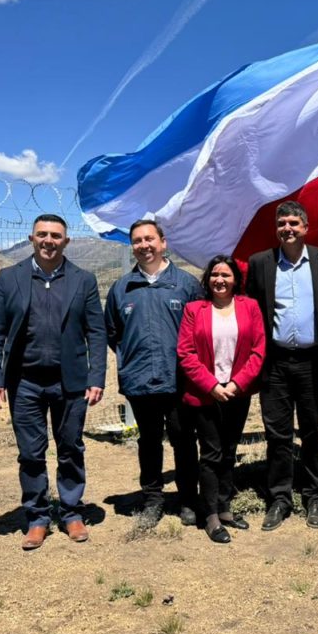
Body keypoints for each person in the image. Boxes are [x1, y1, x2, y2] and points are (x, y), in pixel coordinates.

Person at [0, 214, 107, 550]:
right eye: (42, 235)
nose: (49, 240)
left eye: (56, 235)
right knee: (31, 454)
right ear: (31, 238)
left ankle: (71, 513)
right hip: (25, 383)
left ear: (66, 241)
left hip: (71, 383)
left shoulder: (83, 280)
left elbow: (96, 332)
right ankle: (37, 518)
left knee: (70, 449)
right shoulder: (10, 278)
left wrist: (97, 377)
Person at [245, 201, 318, 531]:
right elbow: (252, 313)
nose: (288, 228)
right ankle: (280, 499)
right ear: (276, 228)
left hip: (314, 363)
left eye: (294, 223)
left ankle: (315, 496)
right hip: (275, 364)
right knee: (278, 435)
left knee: (314, 433)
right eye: (282, 223)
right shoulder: (260, 264)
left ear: (306, 227)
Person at [104, 220, 204, 529]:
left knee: (184, 441)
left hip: (179, 381)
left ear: (163, 242)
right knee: (148, 443)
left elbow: (201, 332)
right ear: (132, 246)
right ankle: (152, 501)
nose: (144, 245)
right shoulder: (122, 289)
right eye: (137, 240)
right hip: (139, 382)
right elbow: (113, 333)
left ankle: (188, 499)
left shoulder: (186, 285)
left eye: (149, 239)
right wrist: (133, 361)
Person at [177, 255, 265, 544]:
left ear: (235, 280)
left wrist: (238, 383)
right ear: (207, 278)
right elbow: (186, 353)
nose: (220, 280)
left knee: (229, 450)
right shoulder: (194, 309)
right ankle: (211, 514)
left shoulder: (249, 307)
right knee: (211, 453)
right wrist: (212, 385)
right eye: (214, 274)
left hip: (238, 392)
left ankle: (225, 507)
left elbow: (258, 350)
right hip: (206, 394)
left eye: (226, 275)